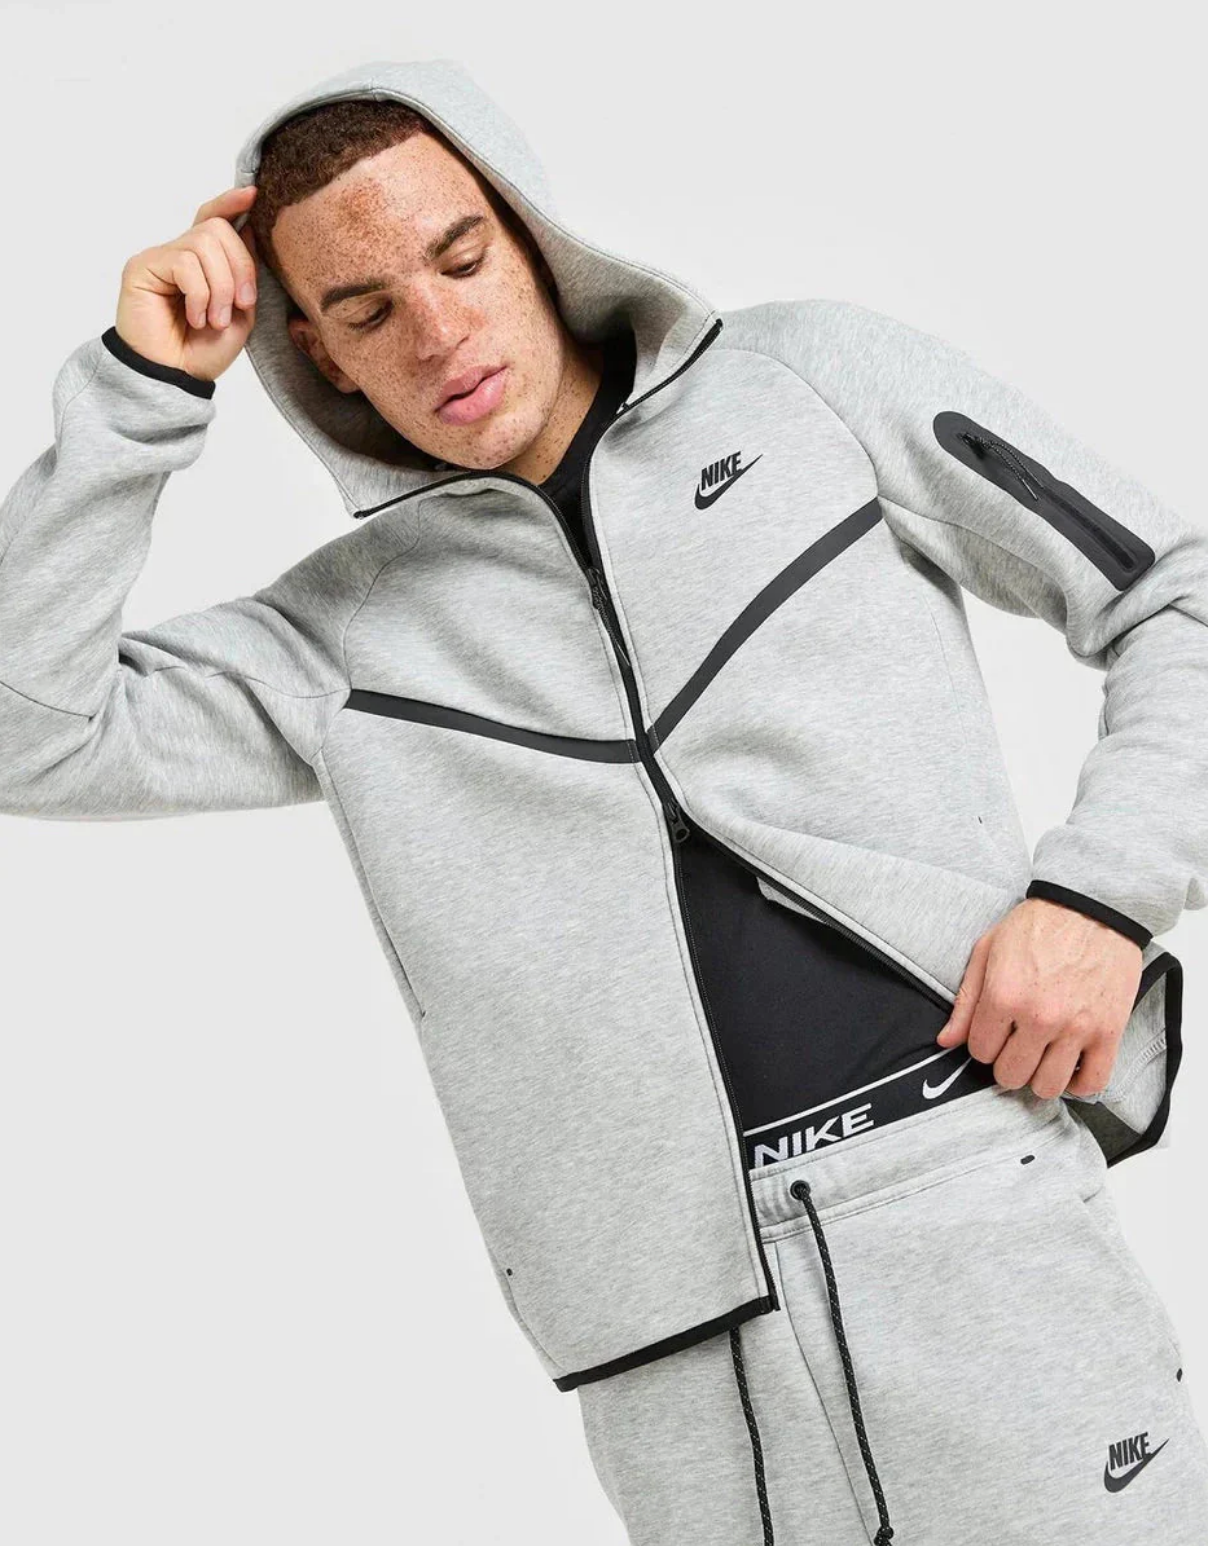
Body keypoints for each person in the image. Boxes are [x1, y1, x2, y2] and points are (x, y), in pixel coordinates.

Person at [3, 56, 1207, 1543]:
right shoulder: (338, 637)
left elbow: (1176, 593)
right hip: (680, 1356)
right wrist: (141, 396)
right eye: (367, 313)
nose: (439, 332)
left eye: (461, 258)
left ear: (532, 235)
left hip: (972, 1200)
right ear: (315, 351)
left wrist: (1102, 893)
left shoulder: (814, 387)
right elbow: (24, 731)